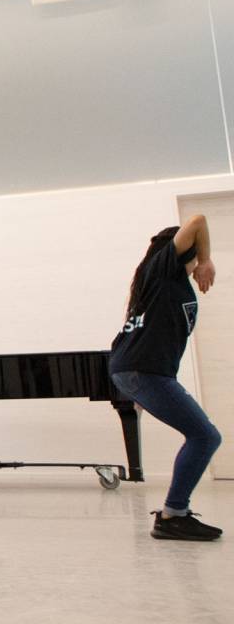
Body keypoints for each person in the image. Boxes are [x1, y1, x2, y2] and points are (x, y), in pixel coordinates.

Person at [109, 218, 222, 540]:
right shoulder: (163, 269)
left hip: (140, 371)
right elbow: (199, 220)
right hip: (143, 371)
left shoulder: (158, 282)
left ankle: (175, 513)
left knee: (203, 436)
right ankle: (173, 515)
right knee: (205, 437)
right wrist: (206, 259)